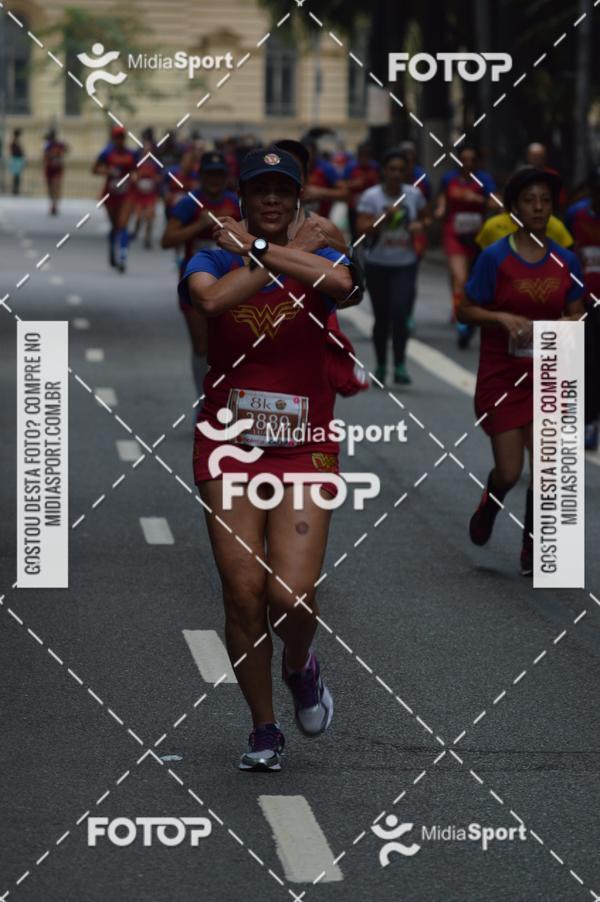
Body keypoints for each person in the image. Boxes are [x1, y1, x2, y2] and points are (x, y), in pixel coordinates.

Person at [178, 148, 357, 771]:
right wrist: (266, 255)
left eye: (283, 190)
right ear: (244, 200)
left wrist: (268, 251)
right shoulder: (210, 254)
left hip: (306, 447)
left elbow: (339, 284)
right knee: (243, 592)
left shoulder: (321, 252)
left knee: (293, 595)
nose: (272, 200)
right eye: (261, 192)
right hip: (229, 445)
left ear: (299, 195)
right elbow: (212, 301)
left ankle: (301, 667)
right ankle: (263, 728)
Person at [458, 168, 585, 575]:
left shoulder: (565, 260)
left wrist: (570, 322)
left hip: (547, 374)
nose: (538, 208)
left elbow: (577, 310)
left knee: (547, 468)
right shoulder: (495, 257)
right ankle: (490, 503)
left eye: (545, 201)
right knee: (510, 471)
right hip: (501, 374)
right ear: (514, 208)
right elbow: (464, 309)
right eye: (529, 200)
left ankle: (534, 550)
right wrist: (500, 318)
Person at [274, 138, 368, 398]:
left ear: (302, 184)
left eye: (292, 173)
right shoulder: (245, 230)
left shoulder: (323, 229)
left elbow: (353, 291)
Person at [161, 151, 240, 398]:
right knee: (201, 346)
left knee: (231, 345)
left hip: (233, 283)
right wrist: (199, 225)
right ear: (201, 175)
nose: (214, 180)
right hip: (195, 284)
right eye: (210, 174)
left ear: (226, 177)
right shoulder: (188, 203)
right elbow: (167, 240)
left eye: (219, 174)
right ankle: (203, 399)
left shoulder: (237, 204)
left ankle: (227, 398)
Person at [355, 148, 428, 386]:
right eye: (391, 169)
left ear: (406, 171)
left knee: (400, 314)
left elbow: (427, 219)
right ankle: (381, 365)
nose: (396, 174)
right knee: (382, 318)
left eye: (400, 169)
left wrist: (420, 226)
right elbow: (362, 228)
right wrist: (384, 217)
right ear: (384, 172)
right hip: (377, 264)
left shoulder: (414, 195)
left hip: (404, 264)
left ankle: (400, 365)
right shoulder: (371, 197)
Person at [435, 144, 496, 348]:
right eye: (464, 159)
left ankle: (467, 308)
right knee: (460, 277)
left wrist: (477, 199)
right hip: (454, 232)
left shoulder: (484, 179)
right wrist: (441, 208)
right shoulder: (449, 178)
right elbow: (443, 196)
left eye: (472, 159)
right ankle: (462, 319)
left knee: (472, 278)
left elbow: (498, 204)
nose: (468, 163)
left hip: (478, 236)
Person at [565, 165, 600, 451]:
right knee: (586, 361)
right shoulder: (576, 215)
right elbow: (564, 251)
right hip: (584, 299)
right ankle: (587, 420)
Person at [93, 125, 139, 272]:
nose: (120, 140)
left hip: (127, 194)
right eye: (117, 137)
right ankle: (113, 250)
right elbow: (95, 169)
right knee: (115, 226)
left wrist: (134, 177)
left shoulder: (132, 154)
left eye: (122, 137)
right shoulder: (106, 154)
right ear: (113, 138)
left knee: (123, 224)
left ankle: (122, 257)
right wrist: (108, 170)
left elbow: (137, 171)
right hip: (111, 194)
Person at [343, 142, 380, 244]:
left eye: (367, 155)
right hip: (354, 207)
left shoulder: (375, 167)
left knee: (372, 232)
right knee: (355, 234)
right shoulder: (350, 167)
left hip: (372, 208)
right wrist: (353, 184)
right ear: (358, 155)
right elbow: (342, 184)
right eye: (362, 155)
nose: (364, 159)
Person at [132, 138, 162, 249]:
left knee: (149, 217)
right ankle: (135, 231)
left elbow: (160, 177)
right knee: (139, 216)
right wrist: (136, 179)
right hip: (139, 194)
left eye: (149, 149)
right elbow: (133, 174)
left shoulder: (155, 163)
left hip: (151, 194)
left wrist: (154, 179)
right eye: (145, 149)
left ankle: (147, 238)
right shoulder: (138, 161)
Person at [43, 129, 68, 216]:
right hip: (49, 168)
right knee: (50, 188)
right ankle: (53, 203)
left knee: (56, 186)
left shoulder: (59, 144)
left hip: (57, 169)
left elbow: (66, 149)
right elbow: (44, 156)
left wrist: (59, 156)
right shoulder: (47, 145)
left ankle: (54, 205)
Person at [9, 129, 25, 196]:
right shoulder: (14, 142)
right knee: (16, 176)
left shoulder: (15, 142)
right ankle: (15, 191)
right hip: (16, 160)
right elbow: (14, 151)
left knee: (17, 176)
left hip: (17, 160)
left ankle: (16, 190)